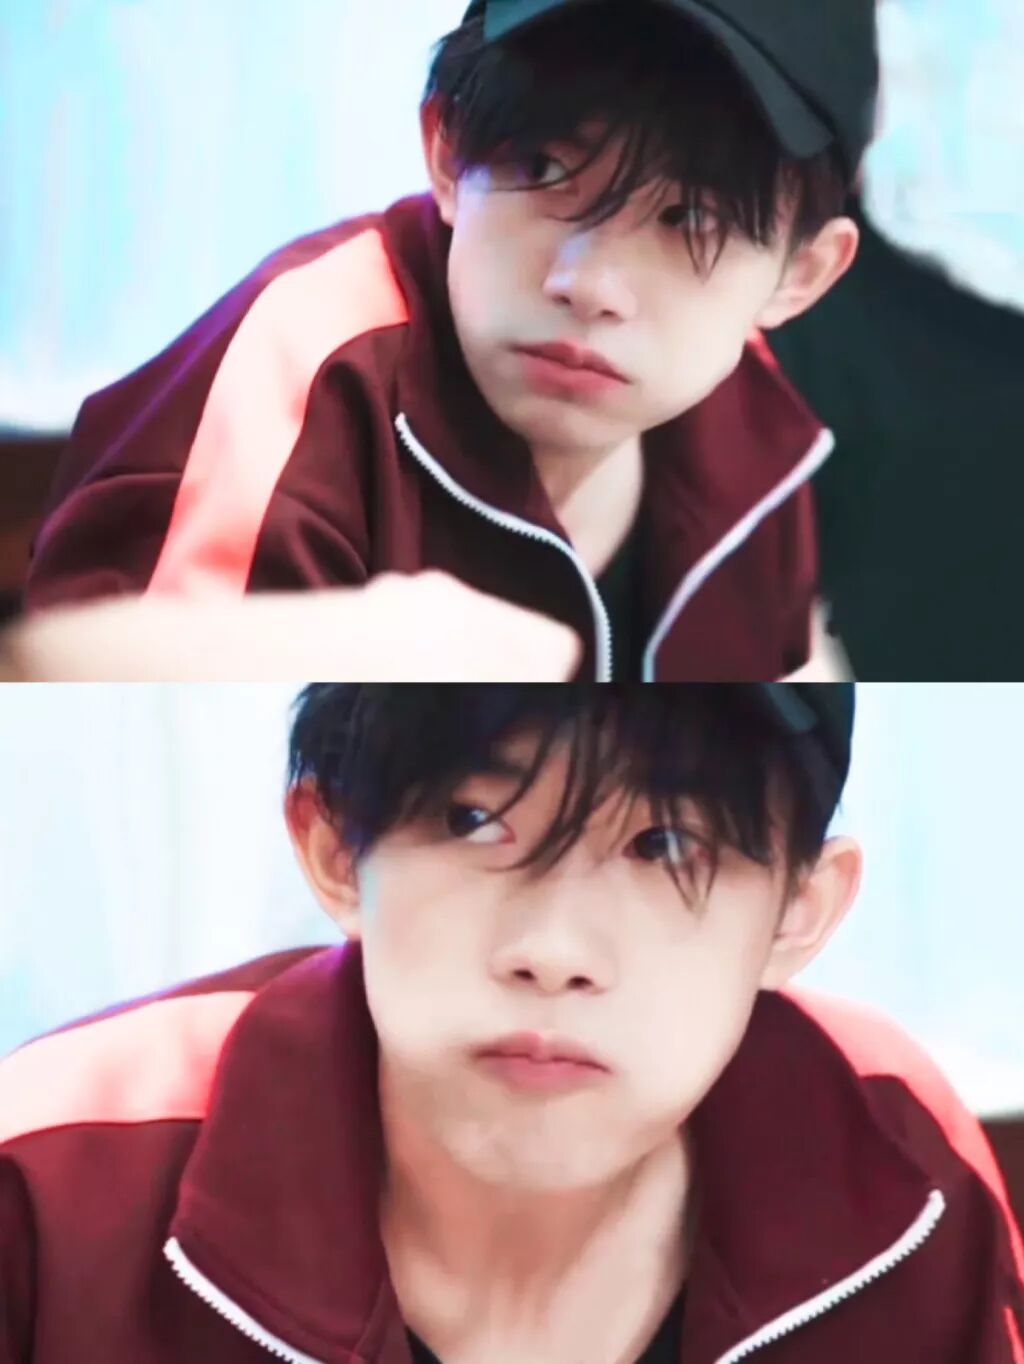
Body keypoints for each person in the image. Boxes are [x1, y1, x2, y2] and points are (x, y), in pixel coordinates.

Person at [2, 683, 1022, 1363]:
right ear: (334, 850)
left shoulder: (897, 1162)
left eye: (666, 844)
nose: (554, 948)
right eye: (474, 820)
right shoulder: (51, 1179)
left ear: (800, 911)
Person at [19, 0, 877, 681]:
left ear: (800, 274)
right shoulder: (296, 374)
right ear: (445, 152)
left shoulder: (756, 431)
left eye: (690, 219)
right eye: (544, 169)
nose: (589, 284)